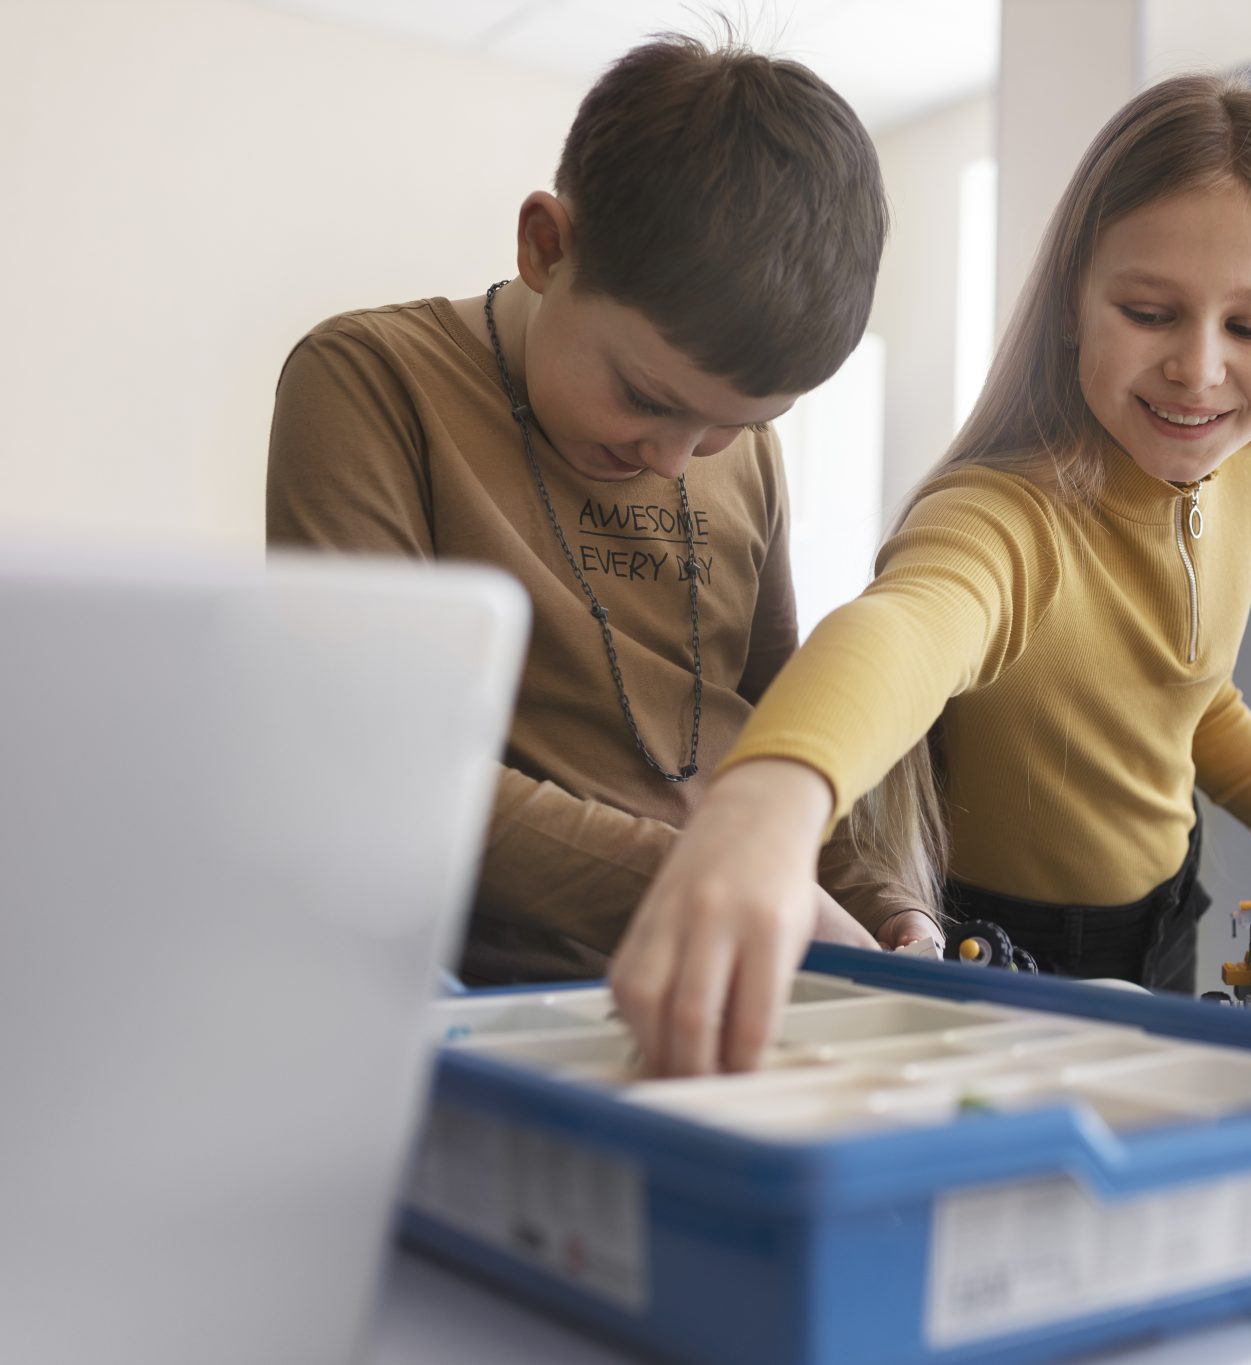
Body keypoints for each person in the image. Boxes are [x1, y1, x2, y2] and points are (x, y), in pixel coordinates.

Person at [609, 72, 1251, 1076]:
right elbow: (905, 630)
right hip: (1000, 948)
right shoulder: (1005, 515)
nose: (1196, 367)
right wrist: (764, 807)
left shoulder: (1246, 479)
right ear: (1069, 304)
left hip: (1165, 921)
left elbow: (1187, 697)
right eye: (1148, 311)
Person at [267, 36, 935, 983]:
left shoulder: (742, 450)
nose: (674, 457)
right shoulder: (371, 382)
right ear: (546, 247)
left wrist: (885, 905)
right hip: (472, 998)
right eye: (646, 398)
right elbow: (374, 765)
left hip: (727, 975)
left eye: (734, 424)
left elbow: (775, 727)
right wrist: (720, 878)